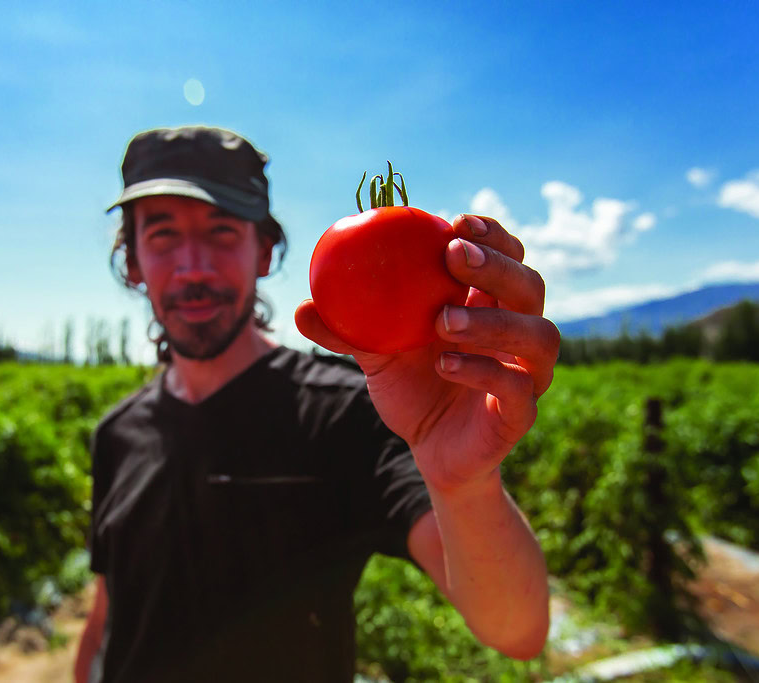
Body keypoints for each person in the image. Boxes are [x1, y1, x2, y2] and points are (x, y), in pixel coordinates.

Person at [75, 126, 560, 683]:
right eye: (161, 235)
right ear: (132, 260)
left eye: (222, 231)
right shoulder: (115, 434)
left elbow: (516, 628)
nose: (194, 266)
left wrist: (461, 482)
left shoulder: (346, 414)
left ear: (264, 251)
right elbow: (106, 618)